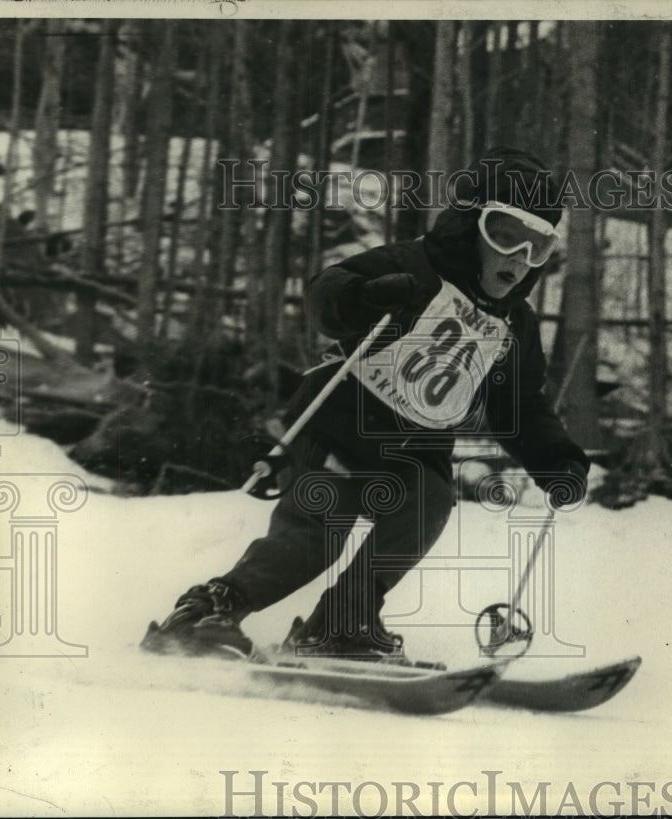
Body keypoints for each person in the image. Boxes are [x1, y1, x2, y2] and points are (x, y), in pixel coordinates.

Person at [141, 146, 591, 661]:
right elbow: (326, 292)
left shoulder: (514, 326)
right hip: (340, 424)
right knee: (314, 535)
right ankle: (204, 611)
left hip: (414, 452)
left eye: (536, 247)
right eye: (505, 236)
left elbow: (520, 407)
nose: (517, 260)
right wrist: (366, 298)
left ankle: (338, 625)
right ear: (469, 226)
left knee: (426, 506)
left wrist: (556, 460)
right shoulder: (414, 267)